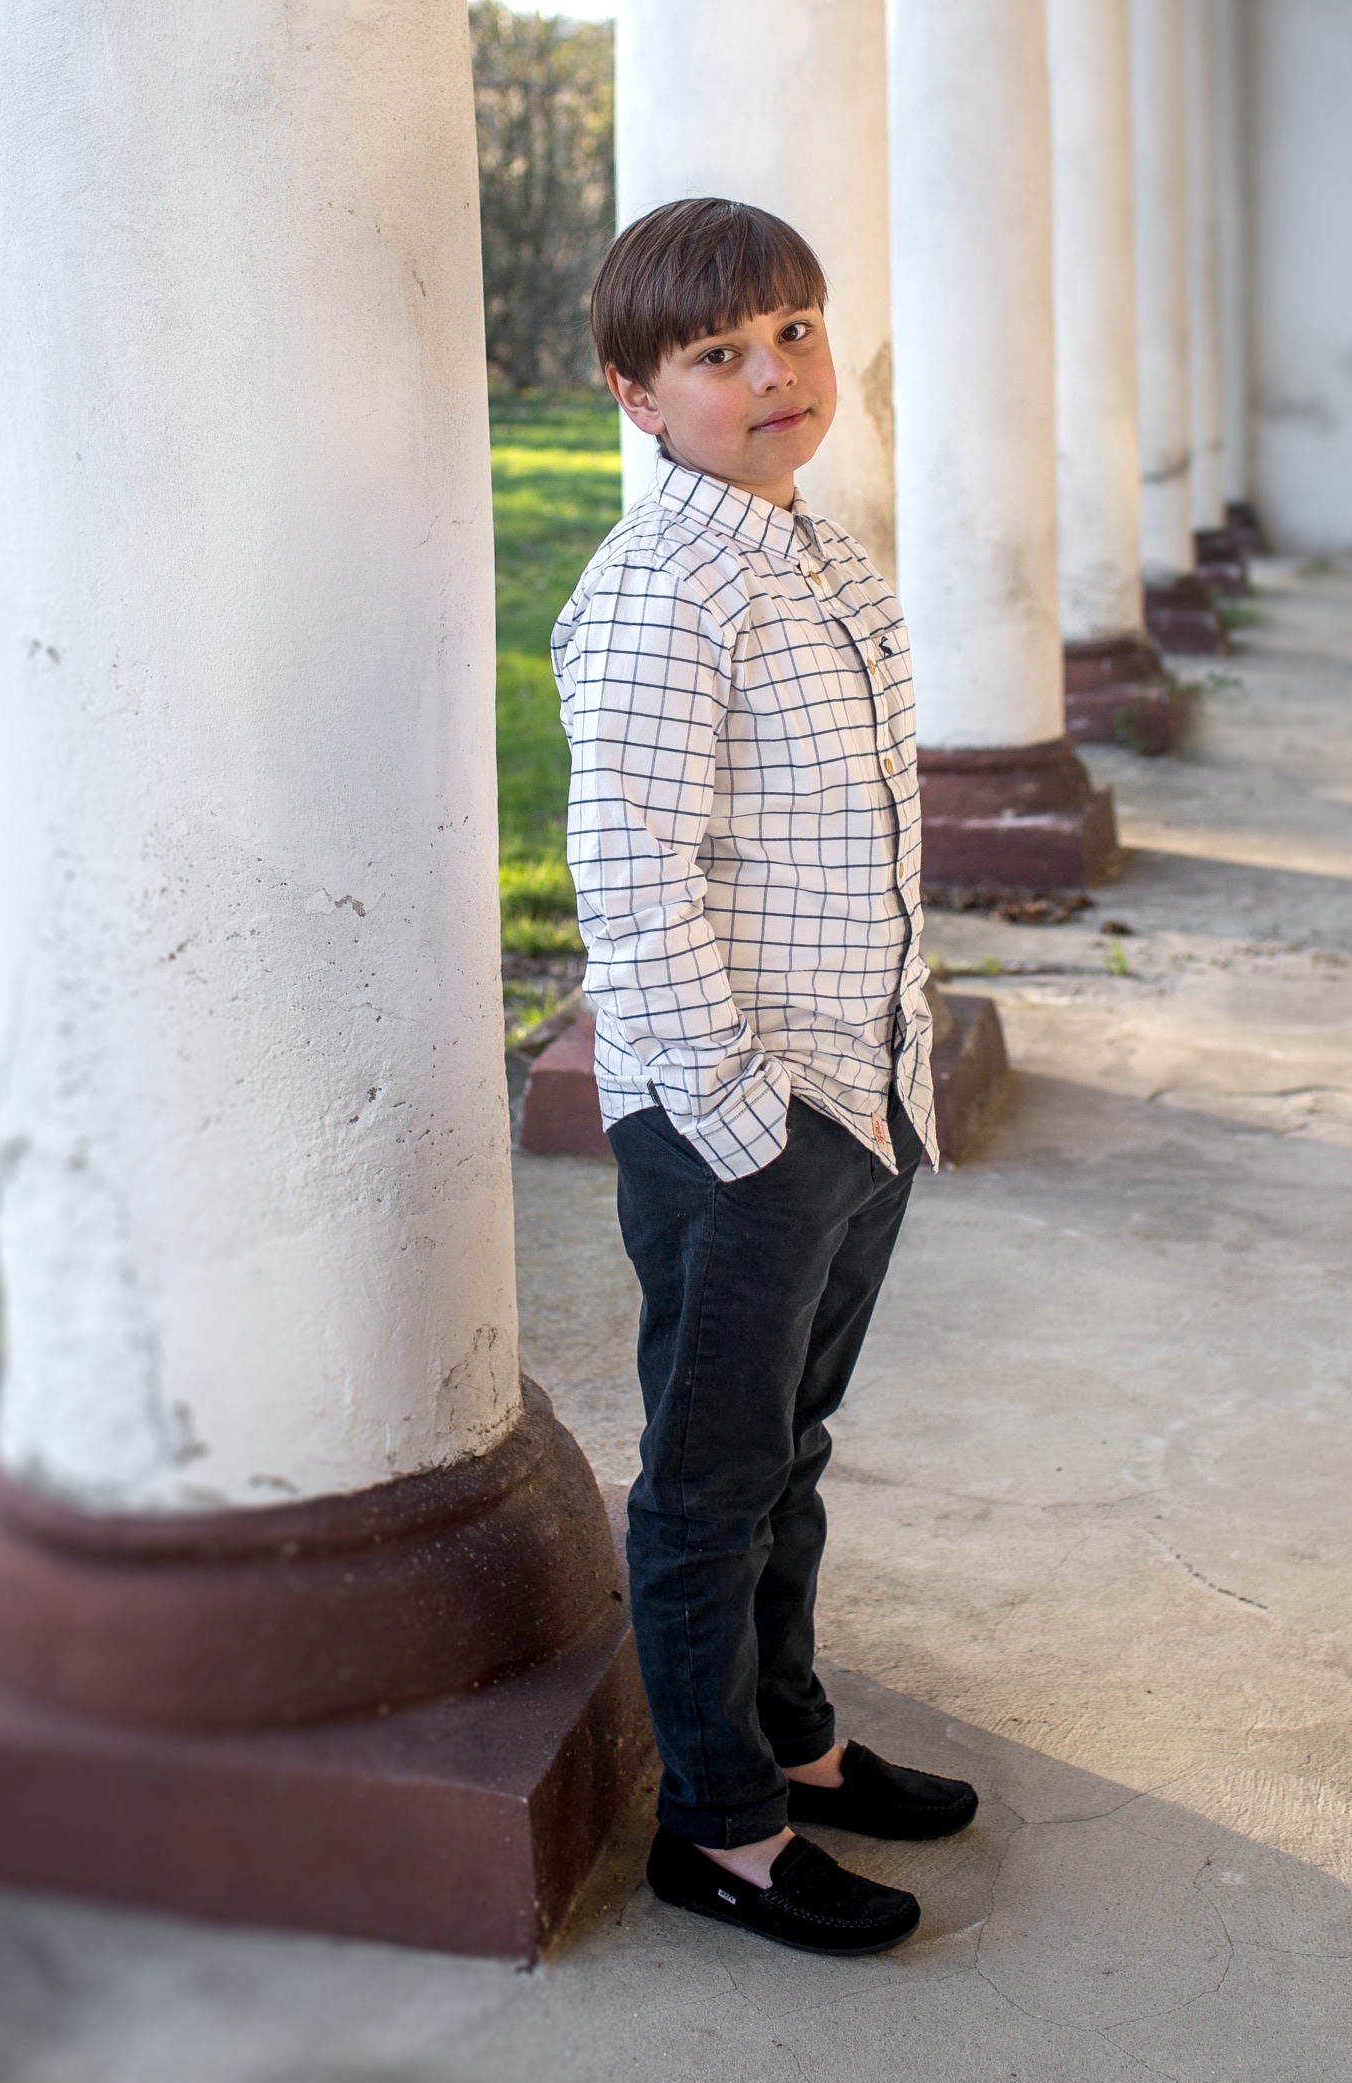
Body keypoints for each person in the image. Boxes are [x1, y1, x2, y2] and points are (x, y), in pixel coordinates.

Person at [551, 198, 977, 1958]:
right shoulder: (662, 590)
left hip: (858, 1089)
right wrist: (746, 1119)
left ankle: (790, 1734)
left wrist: (880, 1081)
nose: (775, 372)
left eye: (793, 331)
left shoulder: (819, 555)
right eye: (719, 353)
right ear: (637, 394)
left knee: (792, 1445)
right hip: (743, 1118)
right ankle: (720, 1826)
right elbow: (629, 878)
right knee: (710, 1479)